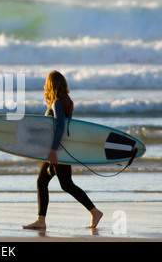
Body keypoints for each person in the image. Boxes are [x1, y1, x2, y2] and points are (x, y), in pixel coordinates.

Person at [23, 70, 103, 230]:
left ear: (50, 85)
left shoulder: (57, 103)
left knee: (46, 182)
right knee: (63, 184)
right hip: (61, 148)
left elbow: (59, 127)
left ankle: (41, 220)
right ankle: (94, 212)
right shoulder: (66, 102)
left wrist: (53, 149)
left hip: (57, 149)